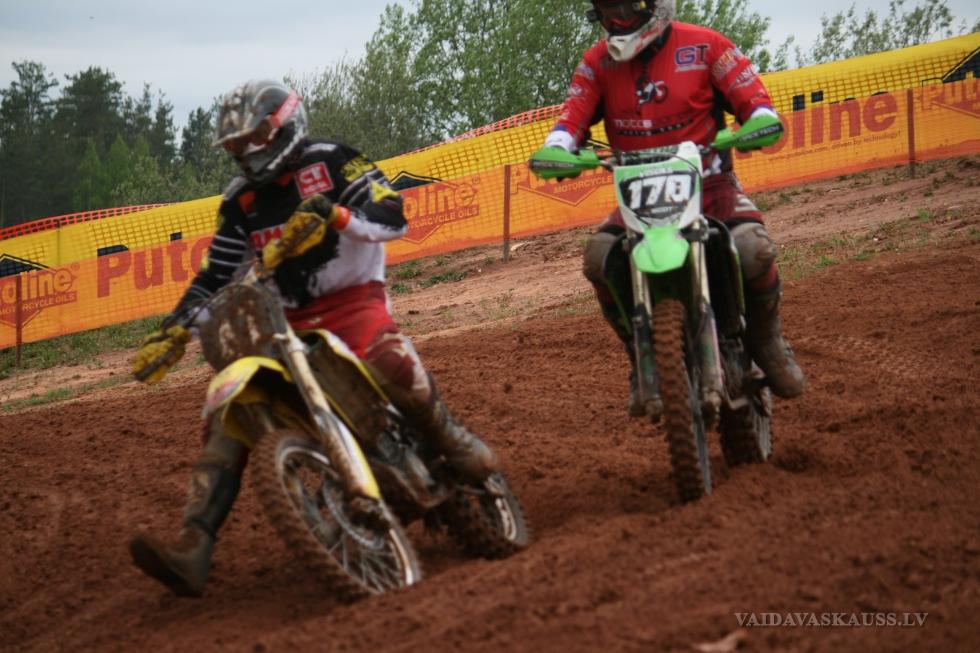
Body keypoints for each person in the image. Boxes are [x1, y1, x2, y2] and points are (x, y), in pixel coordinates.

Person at [128, 79, 498, 597]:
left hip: (352, 302)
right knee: (229, 410)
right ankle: (194, 543)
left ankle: (450, 439)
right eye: (236, 144)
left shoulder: (332, 160)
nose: (247, 151)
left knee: (387, 359)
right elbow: (216, 277)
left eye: (254, 137)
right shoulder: (240, 200)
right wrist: (175, 329)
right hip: (283, 322)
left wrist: (335, 214)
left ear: (283, 126)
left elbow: (392, 216)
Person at [530, 0, 805, 417]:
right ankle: (639, 358)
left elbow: (757, 103)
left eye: (626, 9)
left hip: (710, 186)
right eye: (606, 12)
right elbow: (570, 122)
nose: (617, 22)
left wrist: (759, 121)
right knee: (599, 258)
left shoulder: (706, 46)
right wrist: (557, 149)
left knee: (753, 249)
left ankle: (768, 341)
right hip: (640, 195)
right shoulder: (597, 62)